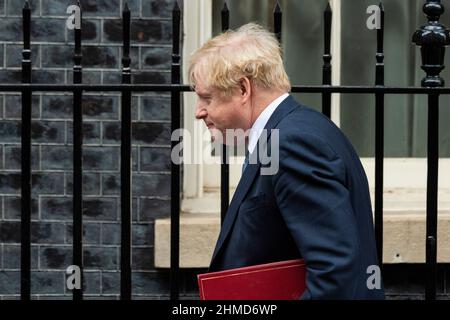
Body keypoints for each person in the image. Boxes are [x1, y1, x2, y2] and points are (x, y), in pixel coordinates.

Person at [188, 23, 385, 300]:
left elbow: (334, 274)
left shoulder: (292, 145)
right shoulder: (299, 130)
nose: (199, 111)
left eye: (206, 97)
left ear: (244, 89)